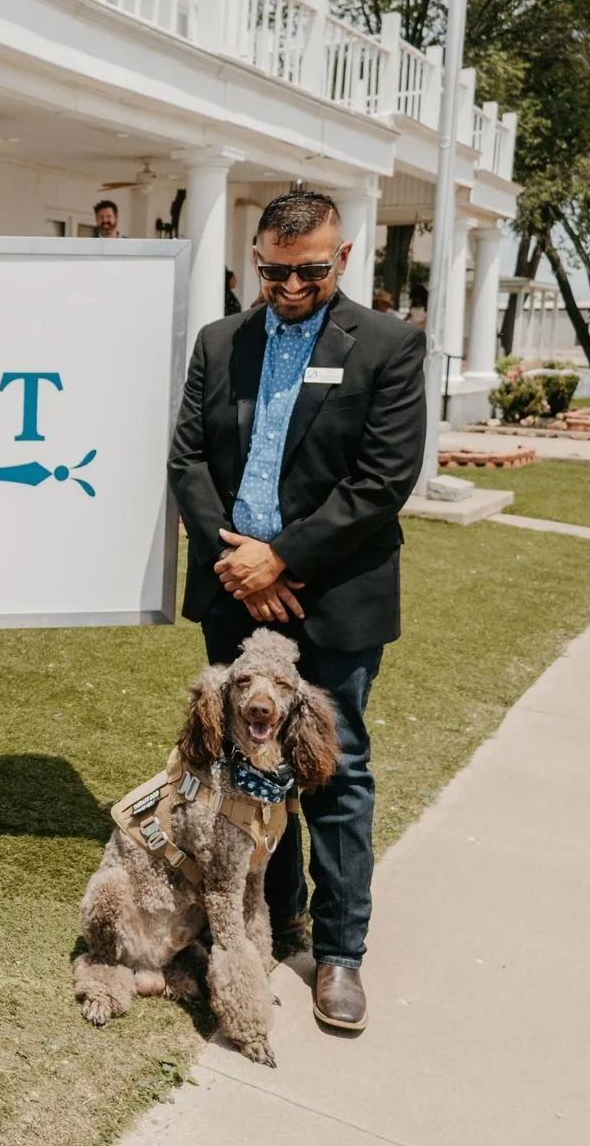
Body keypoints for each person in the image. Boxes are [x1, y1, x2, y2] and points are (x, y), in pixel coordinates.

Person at [166, 189, 428, 1034]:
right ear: (257, 257)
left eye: (309, 270)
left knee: (335, 772)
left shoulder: (388, 344)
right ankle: (278, 922)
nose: (289, 286)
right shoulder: (219, 342)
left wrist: (281, 558)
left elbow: (382, 481)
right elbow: (189, 458)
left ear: (343, 259)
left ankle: (340, 953)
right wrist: (241, 564)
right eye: (274, 270)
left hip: (335, 598)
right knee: (248, 770)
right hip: (237, 593)